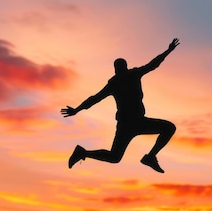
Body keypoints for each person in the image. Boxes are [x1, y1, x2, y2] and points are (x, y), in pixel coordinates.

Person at [61, 38, 180, 173]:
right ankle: (83, 153)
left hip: (137, 122)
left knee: (168, 128)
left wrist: (168, 51)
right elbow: (94, 99)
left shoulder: (129, 77)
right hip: (128, 124)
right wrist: (77, 109)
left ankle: (150, 157)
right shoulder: (120, 81)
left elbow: (153, 64)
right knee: (115, 157)